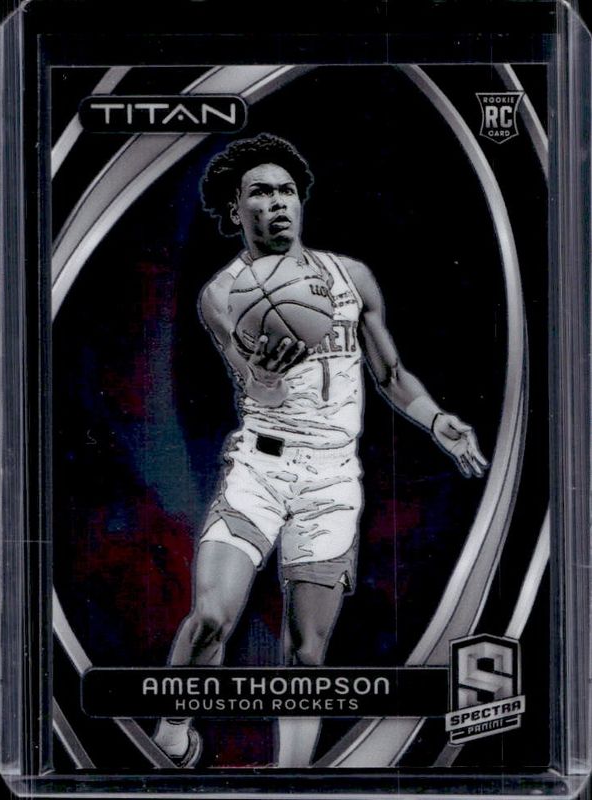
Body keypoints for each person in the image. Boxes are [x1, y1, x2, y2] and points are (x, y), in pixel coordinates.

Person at [153, 133, 488, 768]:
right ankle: (172, 729)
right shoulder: (223, 294)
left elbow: (390, 374)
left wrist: (436, 418)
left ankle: (291, 775)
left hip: (332, 480)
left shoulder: (350, 277)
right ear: (235, 210)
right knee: (212, 617)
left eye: (287, 190)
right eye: (260, 193)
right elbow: (248, 381)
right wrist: (266, 376)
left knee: (308, 653)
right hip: (260, 467)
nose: (277, 202)